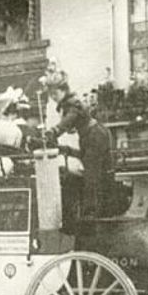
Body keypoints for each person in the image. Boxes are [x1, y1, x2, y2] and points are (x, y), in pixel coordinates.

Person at [41, 60, 114, 221]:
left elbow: (68, 121)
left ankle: (90, 215)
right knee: (95, 172)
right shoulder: (69, 103)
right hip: (91, 136)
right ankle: (96, 211)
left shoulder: (72, 104)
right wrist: (66, 148)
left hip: (94, 137)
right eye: (51, 95)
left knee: (91, 176)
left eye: (55, 94)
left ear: (63, 90)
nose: (53, 98)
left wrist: (53, 132)